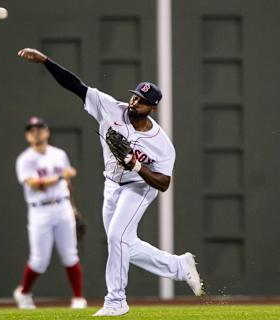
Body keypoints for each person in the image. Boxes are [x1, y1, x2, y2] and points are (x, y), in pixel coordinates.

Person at [17, 48, 203, 317]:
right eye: (134, 95)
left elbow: (163, 183)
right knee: (124, 243)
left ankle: (116, 301)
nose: (134, 102)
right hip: (111, 185)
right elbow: (75, 86)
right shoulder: (110, 108)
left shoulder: (162, 144)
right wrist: (46, 61)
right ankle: (178, 267)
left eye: (141, 100)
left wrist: (137, 166)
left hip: (139, 187)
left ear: (153, 108)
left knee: (117, 237)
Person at [13, 116, 87, 309]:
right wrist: (62, 175)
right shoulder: (25, 159)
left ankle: (78, 298)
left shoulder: (59, 154)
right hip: (40, 210)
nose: (36, 132)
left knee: (71, 255)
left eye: (39, 128)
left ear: (47, 132)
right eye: (32, 130)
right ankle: (24, 293)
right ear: (27, 135)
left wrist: (73, 207)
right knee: (39, 261)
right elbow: (35, 185)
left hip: (62, 206)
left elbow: (67, 184)